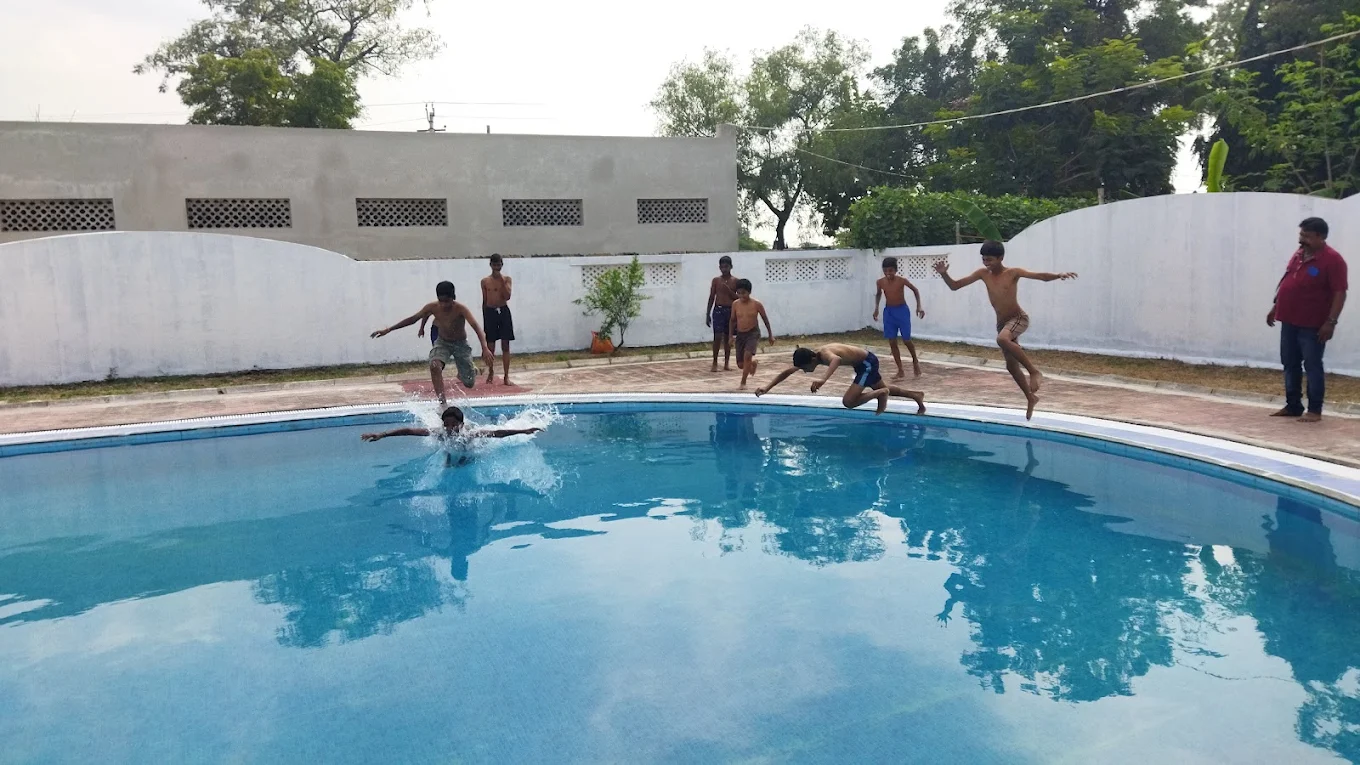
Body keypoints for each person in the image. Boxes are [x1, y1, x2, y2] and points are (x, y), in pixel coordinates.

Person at [934, 241, 1077, 420]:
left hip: (1018, 319)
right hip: (1002, 323)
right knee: (1010, 365)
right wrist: (944, 274)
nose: (987, 263)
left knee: (1002, 339)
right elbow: (955, 286)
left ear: (1001, 258)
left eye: (990, 260)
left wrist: (1058, 275)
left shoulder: (1013, 273)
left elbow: (1039, 276)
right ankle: (1031, 397)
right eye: (984, 260)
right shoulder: (982, 274)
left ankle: (1034, 371)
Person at [1267, 217, 1347, 422]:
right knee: (1290, 363)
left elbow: (1340, 292)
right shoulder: (1299, 254)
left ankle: (1314, 410)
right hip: (1289, 320)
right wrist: (1275, 307)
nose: (1301, 239)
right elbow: (1288, 280)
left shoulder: (1333, 260)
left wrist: (1331, 322)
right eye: (1301, 234)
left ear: (1320, 237)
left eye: (1306, 236)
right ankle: (1293, 405)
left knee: (1312, 365)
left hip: (1312, 325)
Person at [371, 281, 493, 407]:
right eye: (441, 301)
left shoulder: (461, 309)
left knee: (469, 383)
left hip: (460, 344)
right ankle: (442, 404)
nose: (444, 305)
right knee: (435, 365)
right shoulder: (432, 307)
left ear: (453, 298)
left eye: (447, 301)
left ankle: (472, 371)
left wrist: (485, 348)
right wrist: (389, 329)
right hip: (443, 342)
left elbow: (476, 327)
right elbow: (413, 319)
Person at [755, 344, 926, 414]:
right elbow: (786, 372)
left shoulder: (825, 354)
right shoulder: (811, 356)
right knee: (877, 386)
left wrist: (822, 380)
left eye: (806, 368)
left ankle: (882, 393)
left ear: (813, 360)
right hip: (862, 363)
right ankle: (916, 396)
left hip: (866, 363)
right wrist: (767, 388)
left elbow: (836, 360)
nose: (806, 372)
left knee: (849, 402)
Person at [361, 406, 541, 466]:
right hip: (452, 448)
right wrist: (381, 435)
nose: (449, 428)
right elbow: (409, 431)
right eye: (446, 425)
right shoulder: (441, 433)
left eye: (453, 425)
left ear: (460, 425)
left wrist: (523, 431)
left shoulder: (469, 434)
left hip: (470, 449)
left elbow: (497, 434)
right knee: (448, 457)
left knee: (465, 460)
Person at [873, 256, 926, 379]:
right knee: (892, 341)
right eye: (885, 271)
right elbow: (878, 294)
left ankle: (915, 361)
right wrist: (876, 309)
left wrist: (919, 307)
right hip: (889, 313)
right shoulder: (880, 282)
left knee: (906, 340)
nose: (888, 274)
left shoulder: (901, 281)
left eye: (890, 271)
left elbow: (915, 290)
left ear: (895, 270)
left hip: (902, 311)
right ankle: (900, 370)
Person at [728, 278, 775, 390]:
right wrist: (730, 336)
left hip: (752, 333)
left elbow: (765, 319)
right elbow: (732, 320)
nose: (741, 296)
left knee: (747, 355)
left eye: (743, 293)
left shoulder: (756, 304)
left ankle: (743, 382)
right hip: (740, 334)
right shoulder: (735, 304)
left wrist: (770, 335)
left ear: (749, 292)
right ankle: (752, 363)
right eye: (738, 293)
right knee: (740, 364)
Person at [481, 254, 515, 386]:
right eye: (494, 265)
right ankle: (491, 372)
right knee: (491, 345)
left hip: (503, 311)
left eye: (499, 264)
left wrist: (501, 281)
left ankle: (506, 376)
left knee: (505, 344)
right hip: (490, 312)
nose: (497, 267)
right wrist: (484, 316)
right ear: (491, 265)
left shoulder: (506, 279)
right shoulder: (485, 281)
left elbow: (507, 296)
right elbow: (484, 300)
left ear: (502, 265)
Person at [706, 255, 739, 372]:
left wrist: (729, 291)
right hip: (718, 310)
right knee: (717, 337)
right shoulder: (716, 280)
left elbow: (738, 297)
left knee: (728, 337)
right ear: (719, 267)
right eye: (722, 267)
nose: (724, 269)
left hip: (730, 310)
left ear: (731, 267)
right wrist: (707, 314)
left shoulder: (735, 281)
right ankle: (714, 362)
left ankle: (726, 363)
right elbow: (711, 297)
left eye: (726, 266)